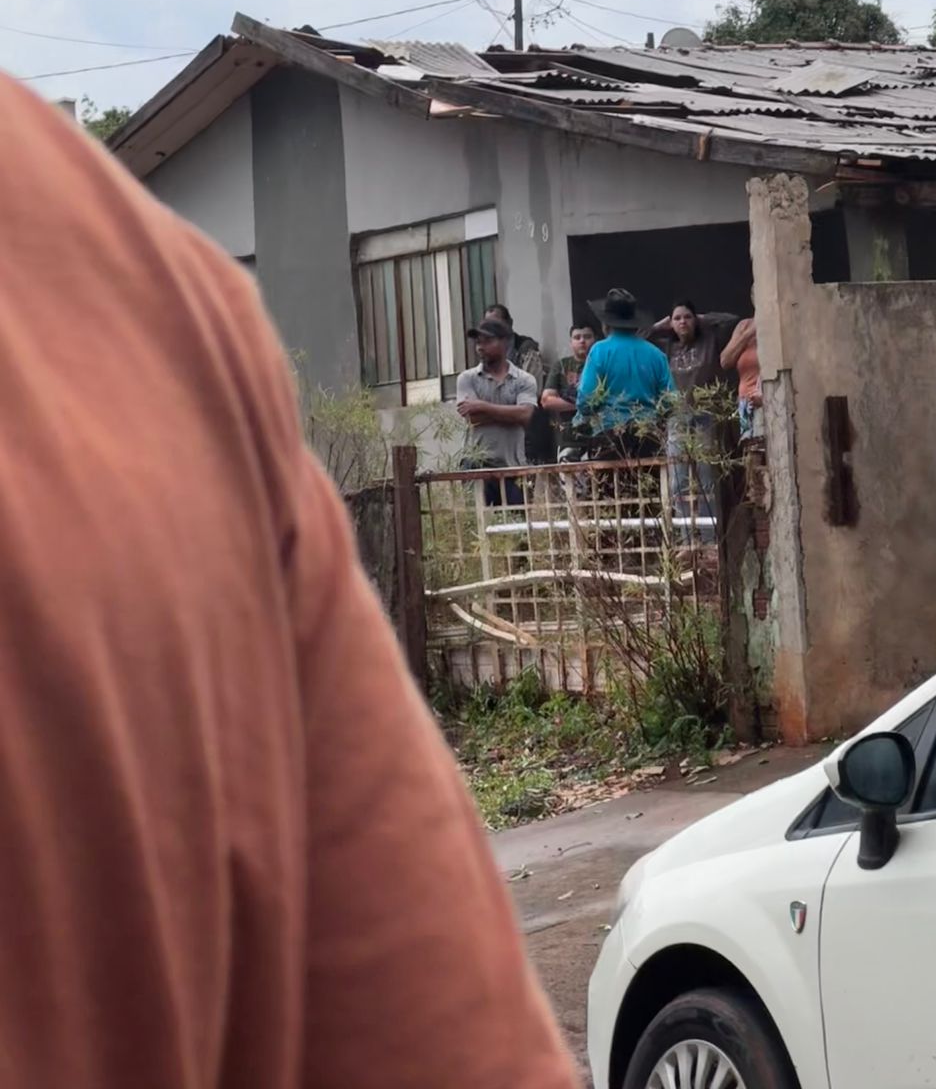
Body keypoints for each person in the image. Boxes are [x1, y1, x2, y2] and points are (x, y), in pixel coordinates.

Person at [0, 74, 578, 1088]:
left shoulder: (160, 302)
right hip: (485, 486)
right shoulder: (144, 293)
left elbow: (515, 414)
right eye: (481, 341)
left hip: (514, 485)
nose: (486, 352)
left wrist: (503, 410)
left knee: (526, 559)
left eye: (492, 340)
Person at [651, 300, 740, 522]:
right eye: (677, 318)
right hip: (678, 417)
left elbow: (731, 320)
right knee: (678, 477)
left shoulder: (709, 339)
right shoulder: (666, 346)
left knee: (707, 475)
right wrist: (659, 326)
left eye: (687, 317)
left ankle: (710, 535)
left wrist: (702, 318)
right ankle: (685, 535)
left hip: (706, 414)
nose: (682, 322)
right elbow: (640, 338)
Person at [577, 287, 674, 459]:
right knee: (650, 485)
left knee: (612, 486)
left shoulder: (599, 351)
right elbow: (670, 402)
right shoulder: (656, 355)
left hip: (609, 437)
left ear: (605, 323)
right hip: (648, 437)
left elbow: (586, 401)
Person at [456, 317, 538, 505]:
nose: (480, 347)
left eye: (487, 341)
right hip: (476, 465)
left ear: (505, 342)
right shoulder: (467, 378)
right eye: (478, 342)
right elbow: (472, 417)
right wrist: (511, 413)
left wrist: (483, 406)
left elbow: (525, 415)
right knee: (477, 526)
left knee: (518, 527)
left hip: (513, 466)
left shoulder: (524, 380)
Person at [485, 302, 554, 465]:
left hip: (527, 427)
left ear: (509, 324)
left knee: (531, 478)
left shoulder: (525, 349)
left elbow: (530, 389)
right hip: (501, 431)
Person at [541, 321, 598, 462]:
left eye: (587, 336)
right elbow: (546, 401)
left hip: (599, 437)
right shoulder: (561, 365)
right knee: (569, 482)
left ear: (595, 339)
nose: (582, 341)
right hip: (569, 438)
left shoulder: (601, 363)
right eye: (577, 337)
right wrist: (586, 403)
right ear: (571, 341)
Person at [722, 314, 763, 442]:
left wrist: (764, 397)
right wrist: (749, 333)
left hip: (767, 400)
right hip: (746, 404)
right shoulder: (744, 326)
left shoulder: (775, 325)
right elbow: (725, 361)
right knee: (751, 453)